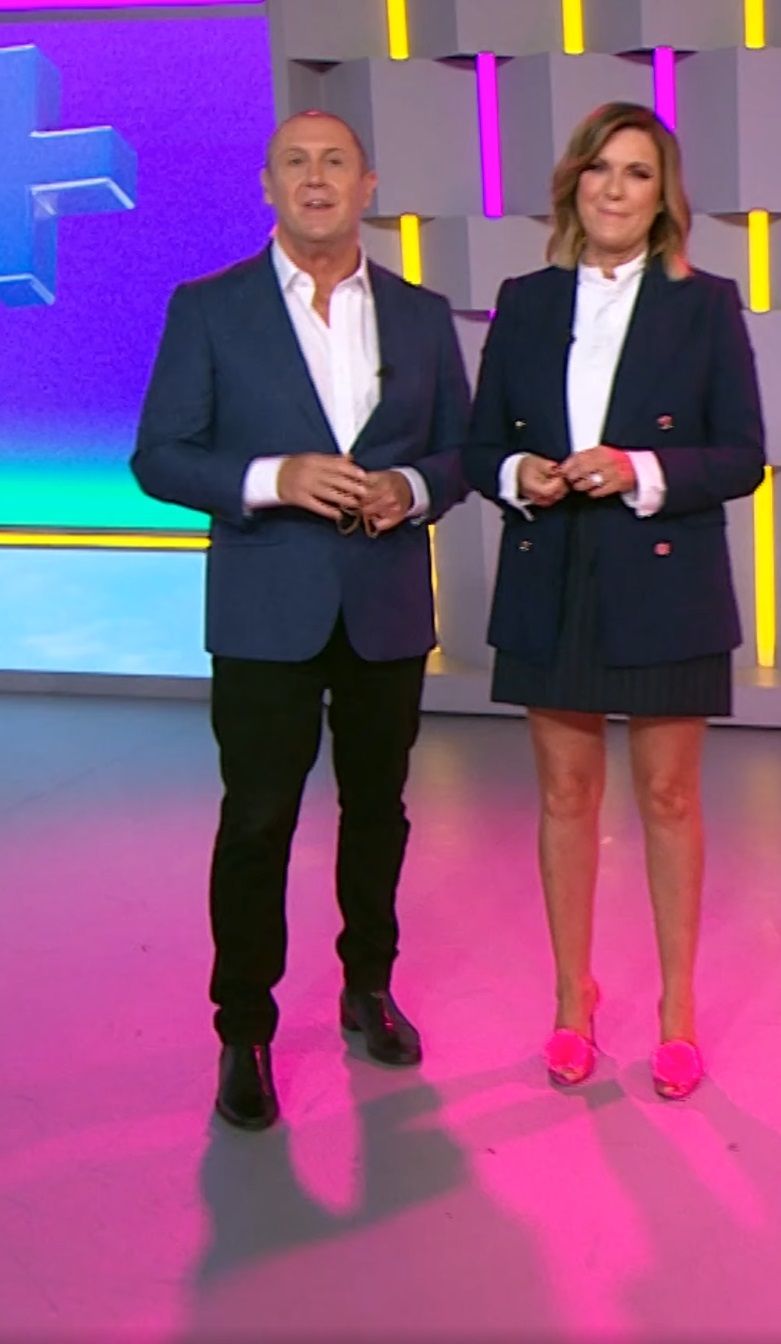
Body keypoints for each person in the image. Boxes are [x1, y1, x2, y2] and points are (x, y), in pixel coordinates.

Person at [132, 110, 469, 1129]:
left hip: (384, 607)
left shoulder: (421, 314)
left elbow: (458, 451)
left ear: (368, 186)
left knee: (378, 812)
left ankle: (368, 986)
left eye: (334, 162)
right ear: (268, 187)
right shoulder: (209, 308)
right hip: (263, 610)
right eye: (294, 163)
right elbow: (160, 457)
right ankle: (244, 1027)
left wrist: (411, 487)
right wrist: (273, 478)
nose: (314, 178)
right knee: (257, 820)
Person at [465, 102, 765, 1099]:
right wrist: (517, 473)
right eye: (599, 168)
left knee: (669, 798)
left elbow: (741, 455)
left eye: (636, 172)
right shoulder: (524, 299)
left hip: (664, 578)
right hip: (550, 573)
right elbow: (478, 445)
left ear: (662, 196)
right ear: (572, 184)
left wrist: (638, 467)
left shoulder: (704, 303)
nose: (614, 188)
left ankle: (677, 1010)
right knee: (564, 798)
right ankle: (572, 999)